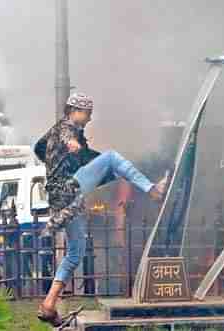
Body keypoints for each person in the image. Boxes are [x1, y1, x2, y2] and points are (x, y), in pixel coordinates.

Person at [35, 92, 167, 326]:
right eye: (86, 113)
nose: (88, 118)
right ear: (73, 111)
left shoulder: (67, 136)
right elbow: (66, 136)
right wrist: (69, 145)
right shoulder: (66, 128)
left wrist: (54, 160)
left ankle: (48, 304)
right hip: (68, 187)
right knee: (113, 158)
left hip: (62, 199)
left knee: (76, 252)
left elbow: (39, 147)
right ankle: (152, 189)